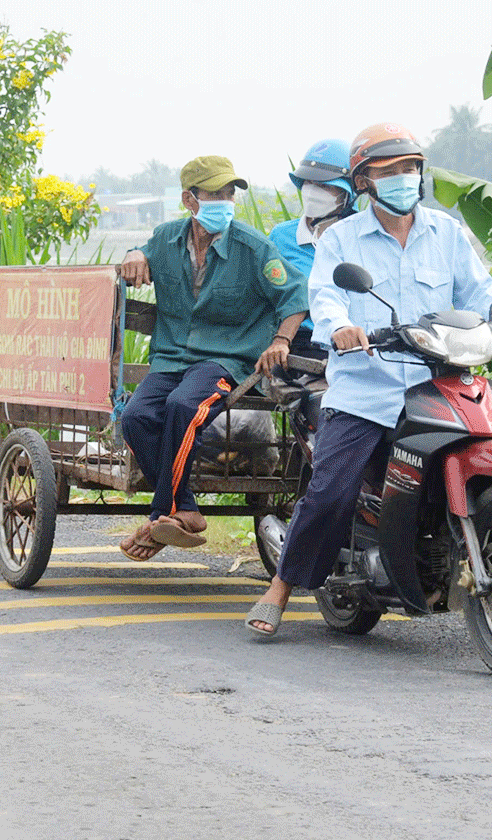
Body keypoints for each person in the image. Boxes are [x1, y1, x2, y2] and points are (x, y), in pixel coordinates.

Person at [245, 123, 492, 636]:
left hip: (437, 386)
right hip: (366, 391)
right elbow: (326, 296)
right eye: (389, 172)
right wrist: (340, 327)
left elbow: (480, 295)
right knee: (332, 491)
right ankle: (282, 587)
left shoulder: (446, 234)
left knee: (483, 460)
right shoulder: (341, 239)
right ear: (363, 183)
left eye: (410, 169)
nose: (404, 179)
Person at [117, 155, 309, 561]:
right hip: (171, 358)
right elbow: (143, 254)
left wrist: (281, 339)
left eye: (229, 194)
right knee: (134, 417)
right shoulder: (167, 238)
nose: (225, 201)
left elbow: (295, 296)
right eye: (215, 194)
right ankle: (183, 505)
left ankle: (163, 515)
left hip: (226, 360)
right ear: (189, 199)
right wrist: (136, 253)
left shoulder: (253, 247)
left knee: (183, 405)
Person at [268, 139, 357, 356]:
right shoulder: (282, 236)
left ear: (348, 194)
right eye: (309, 183)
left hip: (352, 341)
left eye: (326, 186)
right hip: (298, 341)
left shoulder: (360, 235)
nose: (314, 191)